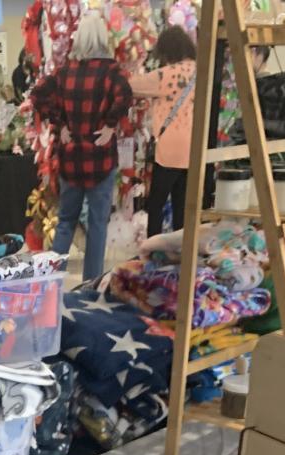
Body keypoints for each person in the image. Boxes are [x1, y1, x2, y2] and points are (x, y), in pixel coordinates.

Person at [32, 13, 133, 282]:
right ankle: (91, 284)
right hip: (100, 158)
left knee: (65, 221)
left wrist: (59, 123)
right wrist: (110, 125)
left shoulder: (65, 72)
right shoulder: (112, 73)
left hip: (71, 157)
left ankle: (52, 281)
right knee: (98, 225)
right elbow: (126, 96)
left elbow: (38, 94)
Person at [131, 26, 197, 236]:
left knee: (156, 204)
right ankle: (181, 249)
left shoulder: (166, 74)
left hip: (169, 149)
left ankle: (154, 248)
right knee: (182, 206)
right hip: (193, 147)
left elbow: (131, 86)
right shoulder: (201, 70)